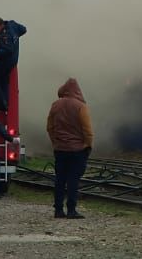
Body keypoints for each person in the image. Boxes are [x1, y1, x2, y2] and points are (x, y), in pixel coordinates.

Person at [46, 77, 93, 219]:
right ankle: (71, 210)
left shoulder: (55, 105)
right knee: (73, 180)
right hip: (77, 150)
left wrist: (55, 142)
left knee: (60, 180)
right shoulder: (80, 106)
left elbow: (50, 127)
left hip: (60, 149)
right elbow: (87, 129)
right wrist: (88, 144)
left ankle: (58, 210)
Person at [0, 17, 27, 111]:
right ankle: (5, 103)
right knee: (4, 81)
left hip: (6, 61)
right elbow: (24, 29)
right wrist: (15, 38)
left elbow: (8, 51)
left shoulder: (5, 35)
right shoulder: (12, 24)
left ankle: (2, 103)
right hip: (14, 60)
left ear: (1, 25)